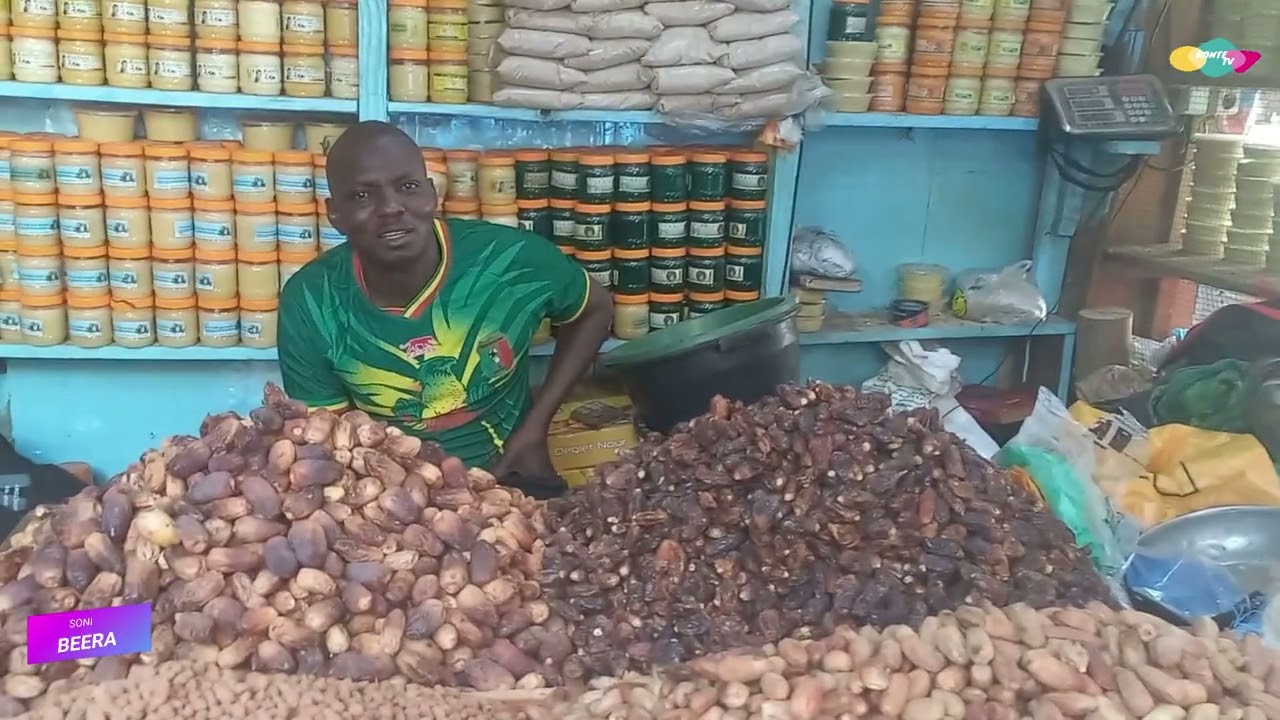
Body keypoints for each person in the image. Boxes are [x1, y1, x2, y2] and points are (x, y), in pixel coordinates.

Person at [278, 121, 613, 497]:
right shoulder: (311, 303)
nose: (391, 208)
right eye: (361, 195)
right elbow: (333, 441)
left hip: (512, 480)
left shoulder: (509, 260)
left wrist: (536, 426)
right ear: (335, 214)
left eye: (407, 187)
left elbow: (595, 308)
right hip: (395, 500)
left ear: (431, 193)